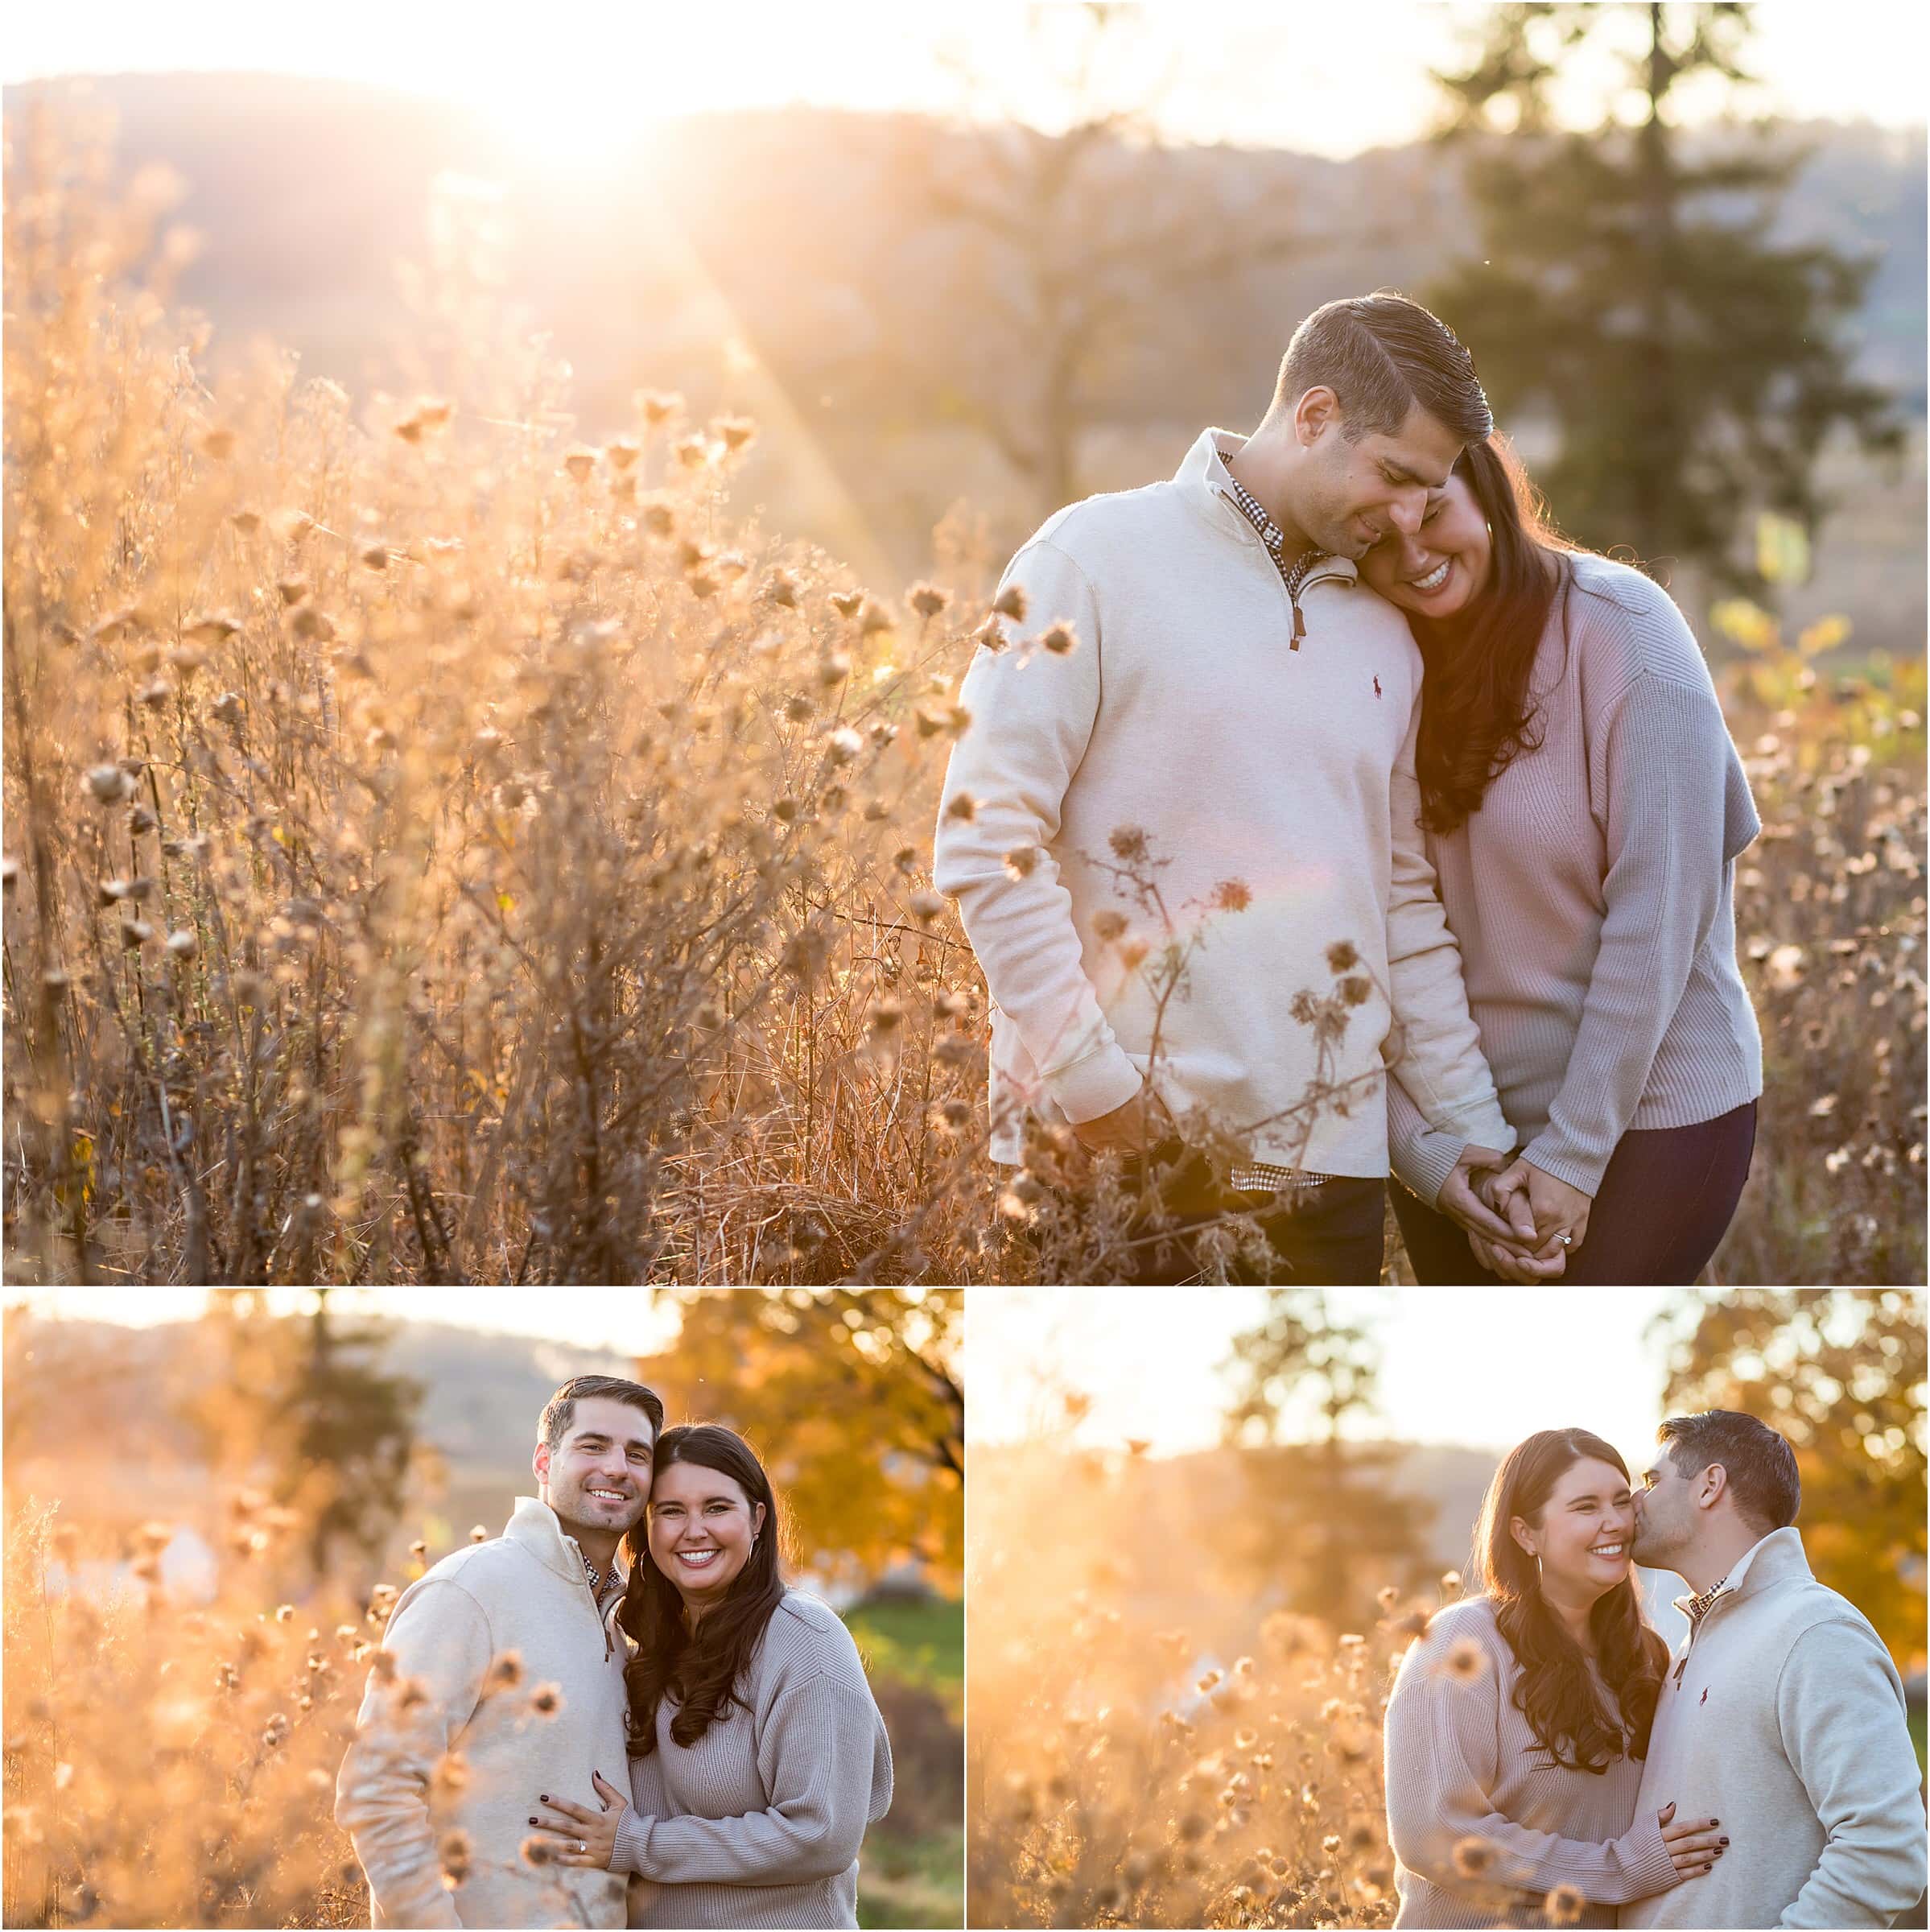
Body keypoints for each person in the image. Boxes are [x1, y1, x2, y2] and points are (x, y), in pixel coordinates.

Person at [933, 291, 1517, 1285]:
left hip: (1328, 1178)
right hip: (1110, 1153)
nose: (1412, 521)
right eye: (1396, 477)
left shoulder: (1385, 631)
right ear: (1315, 415)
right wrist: (1092, 1089)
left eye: (1431, 492)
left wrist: (1470, 1134)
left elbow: (1401, 905)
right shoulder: (1090, 557)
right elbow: (986, 835)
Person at [1359, 436, 1763, 1285]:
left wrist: (1570, 1158)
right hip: (1455, 1131)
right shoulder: (1366, 661)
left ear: (1487, 491)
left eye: (1432, 515)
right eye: (1377, 540)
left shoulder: (1626, 633)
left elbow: (1659, 916)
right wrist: (1427, 1155)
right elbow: (1355, 942)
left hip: (1650, 1116)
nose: (1414, 557)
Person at [527, 1424, 893, 1930]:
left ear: (757, 1518)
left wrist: (640, 1843)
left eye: (717, 1508)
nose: (693, 1530)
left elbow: (820, 1835)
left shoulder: (806, 1641)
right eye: (671, 1512)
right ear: (646, 1529)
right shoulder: (638, 1646)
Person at [336, 1374, 662, 1930]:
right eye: (592, 1446)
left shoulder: (620, 1622)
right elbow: (377, 1789)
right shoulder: (468, 1591)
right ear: (542, 1462)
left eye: (637, 1453)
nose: (617, 1467)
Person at [1384, 1428, 1724, 1927]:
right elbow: (1434, 1832)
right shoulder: (1462, 1643)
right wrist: (1619, 1870)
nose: (1615, 1523)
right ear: (1526, 1533)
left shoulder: (1646, 1657)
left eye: (1620, 1501)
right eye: (1585, 1507)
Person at [1623, 1410, 1927, 1929]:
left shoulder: (1816, 1633)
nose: (1633, 1502)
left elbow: (1888, 1848)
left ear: (1709, 1486)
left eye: (1653, 1481)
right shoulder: (1698, 1641)